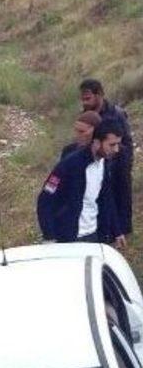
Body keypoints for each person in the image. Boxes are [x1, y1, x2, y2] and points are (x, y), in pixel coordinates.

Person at [37, 119, 125, 247]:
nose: (116, 149)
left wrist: (117, 231)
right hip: (69, 238)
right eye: (112, 145)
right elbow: (45, 199)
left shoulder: (104, 163)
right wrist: (49, 236)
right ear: (96, 142)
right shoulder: (69, 164)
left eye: (118, 144)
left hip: (95, 235)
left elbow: (107, 198)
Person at [79, 78, 134, 234]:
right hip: (97, 165)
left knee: (120, 200)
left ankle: (121, 234)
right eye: (83, 99)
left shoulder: (117, 114)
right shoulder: (87, 115)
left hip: (118, 166)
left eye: (88, 98)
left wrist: (123, 165)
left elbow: (127, 143)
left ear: (99, 95)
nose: (85, 103)